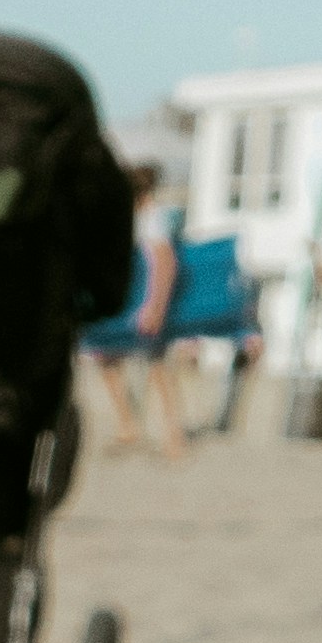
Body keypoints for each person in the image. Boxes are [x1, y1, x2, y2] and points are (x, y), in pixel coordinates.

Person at [88, 165, 185, 459]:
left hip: (149, 305)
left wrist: (154, 308)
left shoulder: (152, 219)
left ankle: (173, 438)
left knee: (157, 367)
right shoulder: (144, 217)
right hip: (137, 305)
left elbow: (165, 264)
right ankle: (129, 425)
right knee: (106, 356)